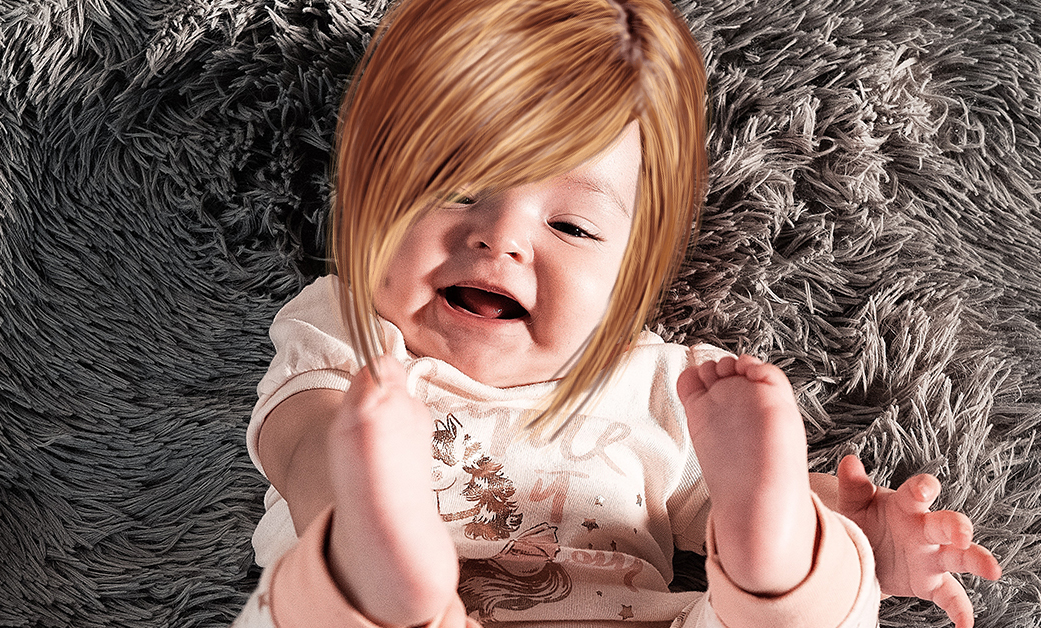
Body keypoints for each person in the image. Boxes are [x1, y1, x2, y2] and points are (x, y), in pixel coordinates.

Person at [233, 0, 1002, 626]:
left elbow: (728, 494)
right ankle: (378, 572)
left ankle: (780, 568)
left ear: (630, 274)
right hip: (395, 607)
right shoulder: (355, 333)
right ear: (370, 190)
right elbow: (303, 447)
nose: (501, 239)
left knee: (785, 591)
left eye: (571, 227)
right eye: (456, 189)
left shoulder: (674, 390)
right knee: (316, 603)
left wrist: (847, 531)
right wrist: (362, 492)